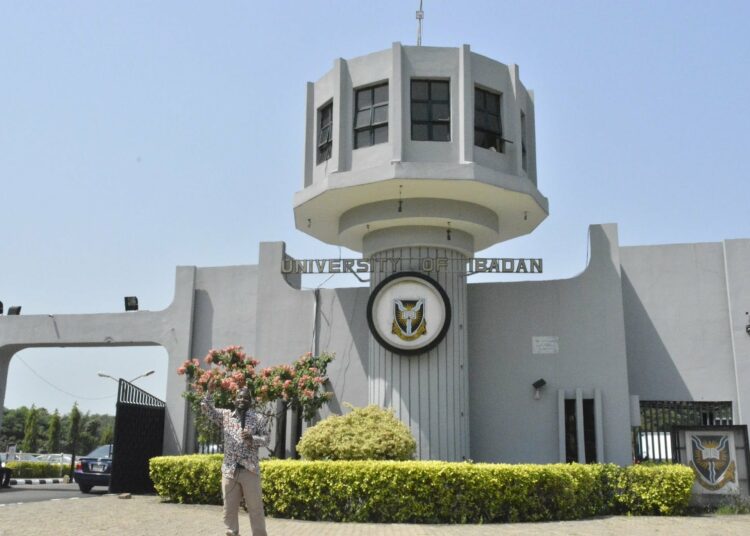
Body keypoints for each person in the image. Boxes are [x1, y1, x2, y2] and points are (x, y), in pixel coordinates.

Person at [202, 386, 270, 536]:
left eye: (246, 397)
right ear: (234, 400)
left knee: (255, 508)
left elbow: (266, 439)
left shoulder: (259, 418)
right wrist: (210, 392)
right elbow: (207, 409)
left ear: (250, 401)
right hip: (229, 470)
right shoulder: (226, 416)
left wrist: (253, 438)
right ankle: (232, 532)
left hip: (249, 470)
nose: (242, 400)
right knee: (229, 508)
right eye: (239, 397)